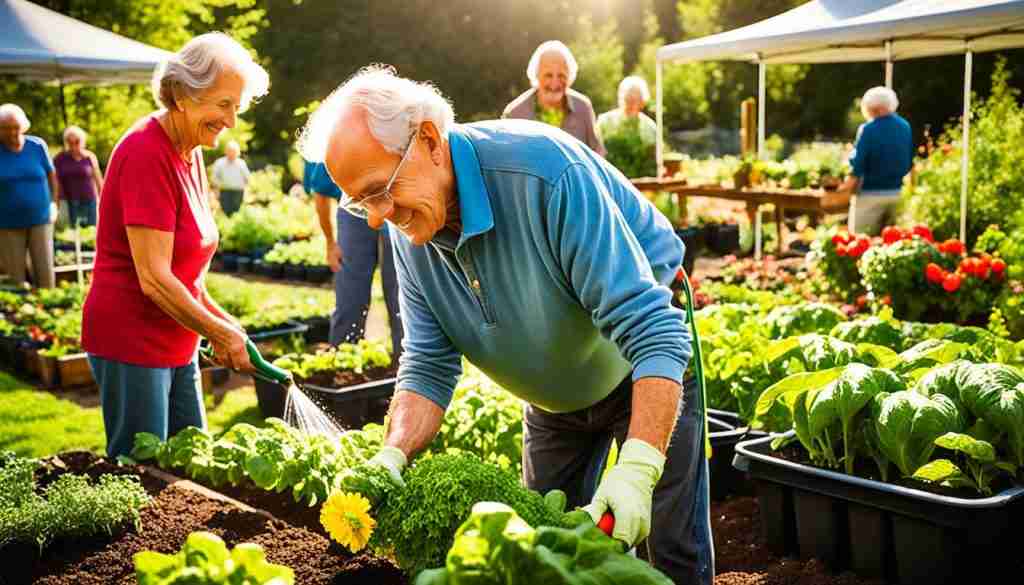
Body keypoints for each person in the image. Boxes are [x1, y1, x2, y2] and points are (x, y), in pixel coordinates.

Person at [298, 66, 711, 585]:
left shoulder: (545, 174)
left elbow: (652, 331)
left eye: (380, 189)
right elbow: (427, 366)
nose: (377, 219)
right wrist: (391, 454)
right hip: (553, 395)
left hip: (644, 370)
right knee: (539, 555)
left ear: (428, 139)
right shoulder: (412, 230)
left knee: (670, 549)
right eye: (361, 204)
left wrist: (638, 470)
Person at [81, 33, 269, 458]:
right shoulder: (146, 152)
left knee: (192, 463)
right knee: (142, 469)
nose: (231, 121)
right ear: (183, 95)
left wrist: (227, 327)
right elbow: (154, 277)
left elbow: (187, 273)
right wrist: (217, 332)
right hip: (132, 339)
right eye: (223, 105)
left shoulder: (190, 151)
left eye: (235, 108)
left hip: (177, 339)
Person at [304, 158, 404, 354]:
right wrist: (330, 243)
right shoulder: (340, 132)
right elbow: (321, 192)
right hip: (355, 209)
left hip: (399, 205)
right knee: (350, 296)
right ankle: (344, 359)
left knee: (402, 297)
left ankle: (409, 367)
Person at [502, 41, 606, 157]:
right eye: (548, 75)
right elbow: (506, 159)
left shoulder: (583, 107)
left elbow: (597, 153)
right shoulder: (515, 113)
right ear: (536, 75)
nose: (555, 82)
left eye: (561, 75)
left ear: (570, 76)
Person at [838, 86, 913, 235]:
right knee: (893, 242)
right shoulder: (905, 126)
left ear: (873, 108)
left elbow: (859, 164)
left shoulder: (868, 129)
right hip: (897, 192)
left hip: (869, 194)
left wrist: (845, 187)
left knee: (859, 239)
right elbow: (908, 159)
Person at [0, 103, 58, 288]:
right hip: (7, 224)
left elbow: (51, 176)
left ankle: (49, 311)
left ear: (23, 126)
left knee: (45, 271)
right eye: (5, 128)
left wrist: (54, 204)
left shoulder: (37, 146)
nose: (12, 133)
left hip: (40, 219)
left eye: (15, 127)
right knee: (16, 278)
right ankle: (22, 314)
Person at [54, 125, 104, 227]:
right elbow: (55, 182)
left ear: (82, 141)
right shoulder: (60, 158)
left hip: (90, 200)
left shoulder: (90, 157)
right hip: (69, 202)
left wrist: (103, 200)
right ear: (66, 142)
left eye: (77, 141)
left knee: (91, 231)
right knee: (71, 233)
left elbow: (98, 180)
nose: (73, 145)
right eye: (70, 142)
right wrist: (56, 202)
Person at [597, 76, 658, 145]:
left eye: (634, 101)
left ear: (642, 103)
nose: (629, 105)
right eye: (627, 99)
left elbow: (653, 153)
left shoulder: (650, 127)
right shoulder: (604, 120)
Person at [210, 139, 250, 215]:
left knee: (237, 212)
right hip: (224, 191)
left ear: (237, 152)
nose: (231, 153)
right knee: (226, 212)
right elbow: (214, 177)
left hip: (238, 191)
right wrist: (217, 188)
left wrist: (246, 190)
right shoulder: (219, 163)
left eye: (233, 151)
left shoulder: (241, 163)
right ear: (226, 151)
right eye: (229, 151)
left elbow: (247, 177)